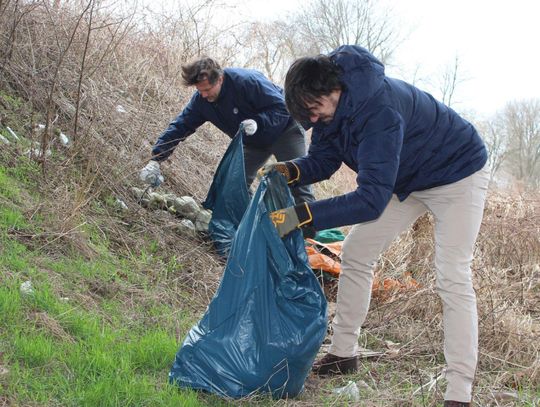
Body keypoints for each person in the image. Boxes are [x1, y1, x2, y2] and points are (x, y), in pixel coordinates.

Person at [262, 45, 489, 407]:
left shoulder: (379, 109)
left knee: (452, 276)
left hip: (457, 175)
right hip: (406, 179)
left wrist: (304, 216)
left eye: (313, 111)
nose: (313, 121)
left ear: (329, 91)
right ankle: (343, 353)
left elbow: (369, 200)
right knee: (356, 251)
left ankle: (459, 390)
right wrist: (291, 170)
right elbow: (323, 159)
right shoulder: (331, 110)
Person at [139, 57, 314, 205]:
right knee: (233, 184)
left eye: (207, 90)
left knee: (298, 182)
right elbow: (180, 126)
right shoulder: (201, 101)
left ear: (220, 79)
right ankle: (252, 227)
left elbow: (283, 107)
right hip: (253, 141)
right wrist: (156, 159)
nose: (204, 95)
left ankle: (309, 234)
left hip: (284, 130)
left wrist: (259, 122)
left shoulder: (247, 81)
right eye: (200, 91)